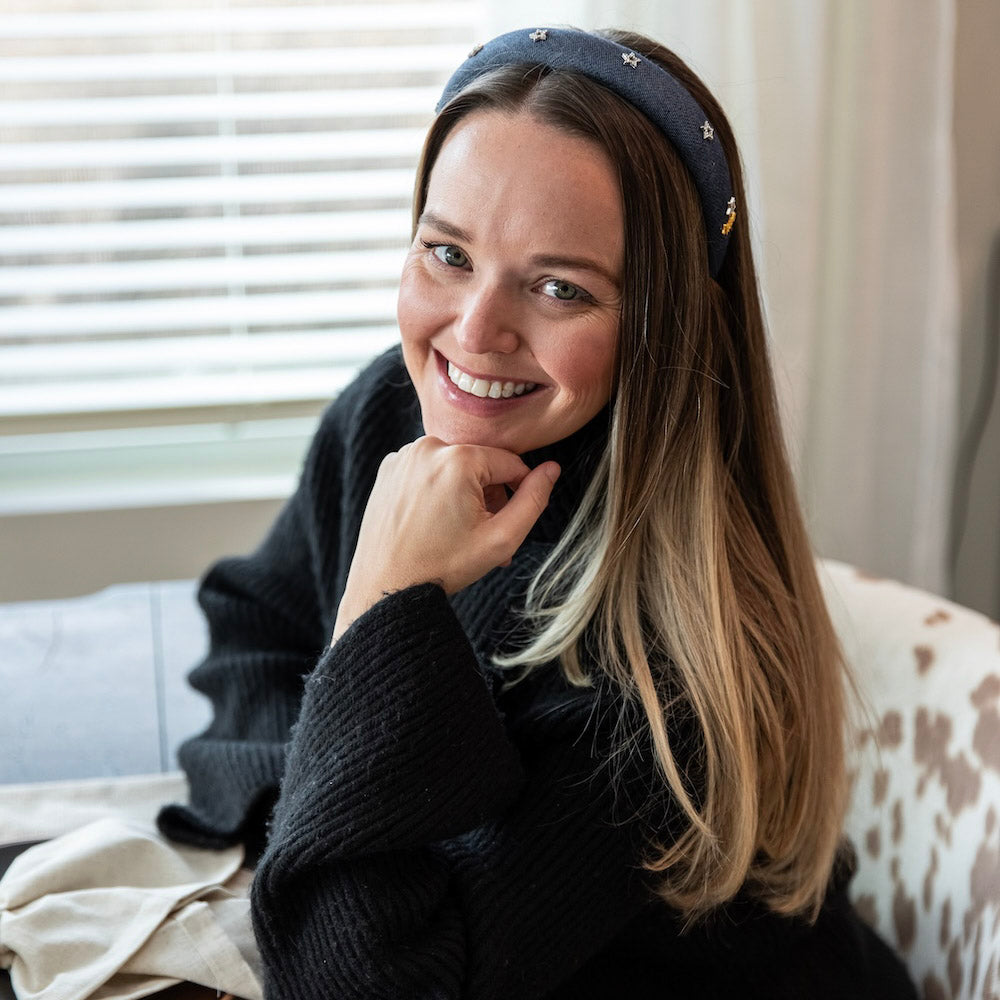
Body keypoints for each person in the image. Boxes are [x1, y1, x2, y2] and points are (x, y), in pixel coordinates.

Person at [158, 26, 918, 999]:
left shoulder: (670, 673)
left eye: (560, 288)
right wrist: (312, 811)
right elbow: (255, 627)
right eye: (447, 253)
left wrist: (386, 601)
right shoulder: (394, 414)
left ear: (663, 322)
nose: (474, 333)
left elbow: (371, 984)